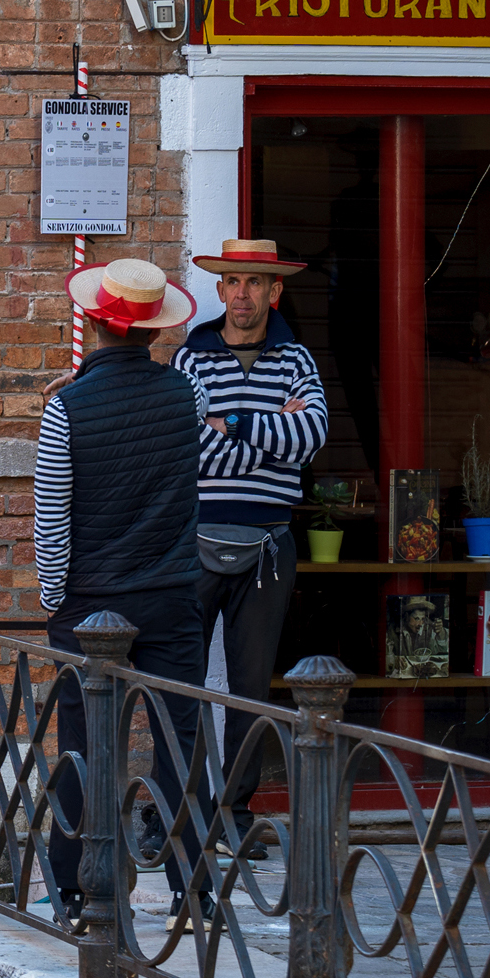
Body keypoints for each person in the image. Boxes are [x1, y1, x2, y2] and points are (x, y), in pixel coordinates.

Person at [35, 258, 212, 932]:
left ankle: (75, 890)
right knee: (179, 740)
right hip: (170, 593)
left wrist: (55, 597)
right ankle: (190, 890)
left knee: (84, 742)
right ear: (151, 328)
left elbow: (50, 517)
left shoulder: (65, 409)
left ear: (92, 321)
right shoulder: (184, 396)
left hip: (89, 605)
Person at [174, 240, 329, 861]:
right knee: (176, 679)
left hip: (269, 544)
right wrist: (269, 429)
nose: (242, 293)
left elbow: (311, 435)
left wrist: (231, 424)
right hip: (194, 540)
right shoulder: (192, 355)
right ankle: (177, 808)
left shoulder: (297, 358)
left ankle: (234, 810)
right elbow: (189, 444)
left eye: (254, 283)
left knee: (249, 686)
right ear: (220, 290)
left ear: (274, 292)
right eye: (232, 281)